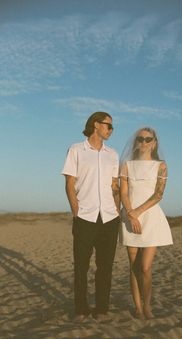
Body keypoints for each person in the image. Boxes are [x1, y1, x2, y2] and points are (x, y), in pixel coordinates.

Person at [62, 112, 120, 322]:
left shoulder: (112, 154)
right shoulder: (76, 150)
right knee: (81, 267)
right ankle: (81, 310)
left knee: (105, 267)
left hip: (109, 218)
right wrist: (76, 212)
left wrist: (117, 209)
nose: (111, 130)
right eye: (108, 126)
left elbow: (115, 187)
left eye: (112, 127)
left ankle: (102, 310)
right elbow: (69, 184)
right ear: (96, 125)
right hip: (85, 217)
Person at [119, 127, 173, 320]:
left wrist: (138, 213)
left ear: (154, 142)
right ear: (136, 142)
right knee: (133, 267)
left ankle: (148, 306)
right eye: (140, 139)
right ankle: (138, 308)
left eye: (148, 139)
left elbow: (159, 194)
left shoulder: (161, 166)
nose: (143, 142)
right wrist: (131, 215)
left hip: (150, 219)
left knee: (145, 267)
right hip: (129, 218)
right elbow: (123, 192)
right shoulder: (126, 165)